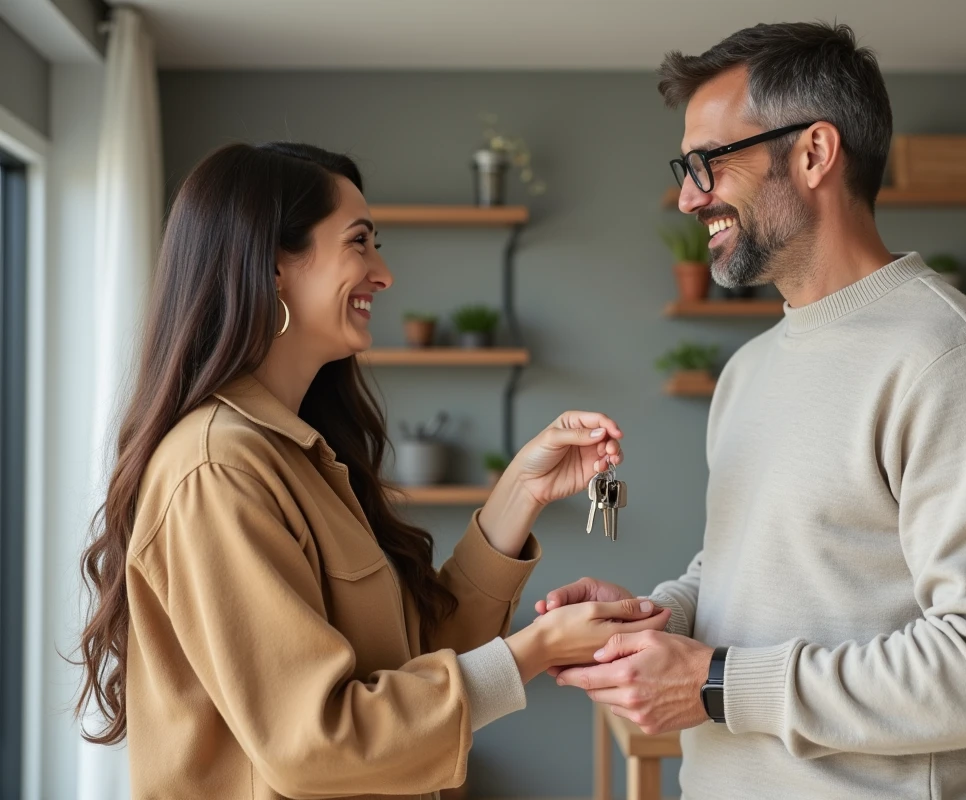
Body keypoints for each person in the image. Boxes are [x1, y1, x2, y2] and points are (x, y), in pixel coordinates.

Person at [544, 21, 966, 799]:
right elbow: (746, 577)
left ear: (815, 153)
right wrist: (659, 618)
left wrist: (718, 684)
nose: (689, 195)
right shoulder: (750, 371)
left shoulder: (956, 361)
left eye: (707, 162)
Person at [73, 142, 669, 800]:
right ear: (272, 266)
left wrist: (523, 490)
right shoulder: (218, 470)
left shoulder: (297, 455)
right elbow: (316, 743)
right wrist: (533, 651)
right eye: (360, 243)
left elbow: (414, 658)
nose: (383, 274)